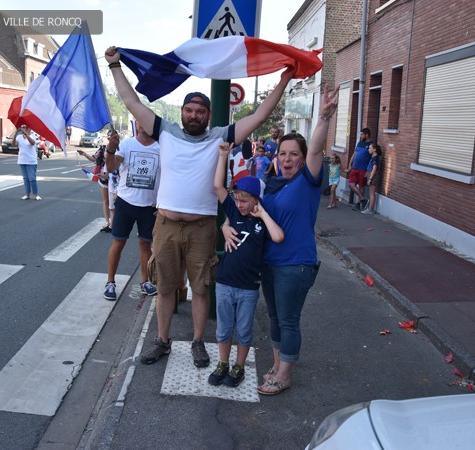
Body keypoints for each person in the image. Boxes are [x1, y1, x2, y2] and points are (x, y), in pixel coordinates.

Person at [105, 45, 294, 368]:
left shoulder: (222, 136)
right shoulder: (164, 132)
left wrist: (285, 79)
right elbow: (131, 102)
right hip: (164, 224)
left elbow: (260, 116)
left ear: (208, 115)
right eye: (190, 110)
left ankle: (196, 342)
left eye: (200, 111)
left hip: (202, 227)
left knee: (201, 288)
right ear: (182, 112)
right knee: (165, 288)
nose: (194, 115)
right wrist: (115, 67)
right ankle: (162, 341)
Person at [223, 84, 340, 395]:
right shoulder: (270, 186)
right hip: (270, 265)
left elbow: (316, 149)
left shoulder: (307, 182)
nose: (287, 159)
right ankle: (277, 363)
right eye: (283, 153)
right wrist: (224, 225)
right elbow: (238, 205)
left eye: (294, 154)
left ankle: (285, 373)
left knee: (288, 320)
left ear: (302, 159)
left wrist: (324, 118)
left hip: (295, 265)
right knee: (274, 316)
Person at [209, 143, 284, 387]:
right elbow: (218, 186)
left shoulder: (262, 221)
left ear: (256, 200)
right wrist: (222, 156)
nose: (240, 205)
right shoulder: (234, 212)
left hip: (249, 287)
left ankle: (238, 366)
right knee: (223, 329)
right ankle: (222, 364)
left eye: (245, 201)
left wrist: (262, 214)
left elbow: (278, 237)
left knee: (243, 331)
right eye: (238, 200)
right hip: (225, 283)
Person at [102, 122, 161, 300]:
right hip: (126, 202)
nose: (144, 124)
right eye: (141, 121)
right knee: (118, 243)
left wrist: (160, 201)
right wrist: (110, 150)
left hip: (149, 206)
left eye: (148, 121)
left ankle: (145, 282)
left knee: (145, 245)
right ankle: (110, 282)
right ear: (137, 124)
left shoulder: (161, 148)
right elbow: (111, 168)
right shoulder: (126, 144)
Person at [77, 146, 111, 232]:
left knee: (115, 202)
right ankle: (107, 221)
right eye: (109, 136)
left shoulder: (120, 148)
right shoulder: (103, 149)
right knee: (106, 201)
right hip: (104, 179)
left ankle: (115, 222)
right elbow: (94, 159)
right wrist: (84, 154)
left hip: (116, 179)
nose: (110, 138)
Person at [347, 128, 372, 211]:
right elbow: (354, 154)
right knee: (351, 184)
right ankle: (363, 199)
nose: (360, 136)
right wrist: (350, 164)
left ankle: (358, 204)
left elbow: (373, 157)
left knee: (361, 186)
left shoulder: (371, 144)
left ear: (367, 135)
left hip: (363, 169)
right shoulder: (359, 143)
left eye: (362, 134)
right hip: (355, 167)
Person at [16, 125, 40, 200]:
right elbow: (14, 144)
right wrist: (16, 133)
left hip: (31, 161)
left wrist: (26, 134)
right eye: (23, 127)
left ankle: (36, 194)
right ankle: (27, 194)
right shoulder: (19, 137)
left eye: (26, 127)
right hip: (22, 160)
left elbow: (32, 143)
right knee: (25, 178)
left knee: (32, 178)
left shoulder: (33, 135)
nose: (24, 129)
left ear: (30, 128)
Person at [362, 143, 382, 215]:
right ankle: (370, 208)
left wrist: (370, 178)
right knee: (371, 193)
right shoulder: (373, 156)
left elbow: (374, 168)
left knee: (372, 193)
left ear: (374, 149)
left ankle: (371, 209)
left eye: (370, 148)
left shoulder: (375, 157)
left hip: (373, 175)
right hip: (370, 174)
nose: (368, 149)